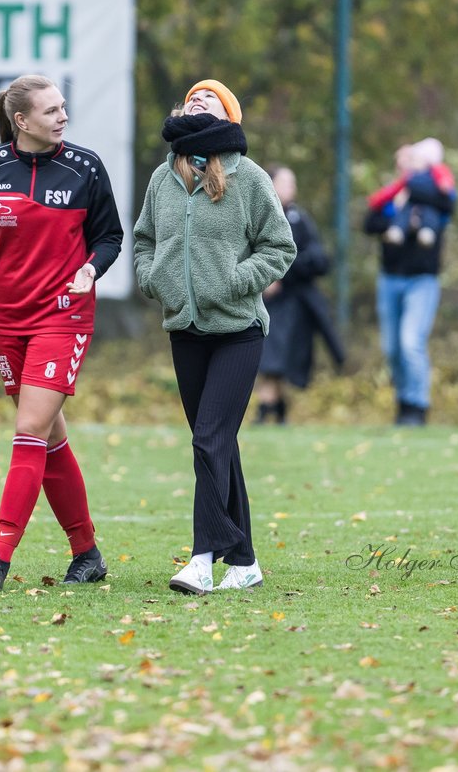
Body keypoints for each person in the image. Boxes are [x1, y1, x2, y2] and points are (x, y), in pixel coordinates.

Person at [0, 74, 124, 592]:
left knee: (28, 431)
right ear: (20, 121)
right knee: (48, 438)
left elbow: (110, 235)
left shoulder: (85, 167)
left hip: (63, 317)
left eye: (63, 107)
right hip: (7, 322)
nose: (62, 117)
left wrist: (92, 268)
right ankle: (86, 553)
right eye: (50, 111)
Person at [133, 79, 296, 594]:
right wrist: (153, 277)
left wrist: (235, 281)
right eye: (192, 96)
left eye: (211, 98)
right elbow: (143, 240)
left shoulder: (248, 178)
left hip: (238, 331)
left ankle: (202, 560)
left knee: (209, 439)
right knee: (217, 444)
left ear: (229, 116)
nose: (197, 99)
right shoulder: (164, 177)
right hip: (184, 329)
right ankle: (244, 562)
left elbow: (279, 246)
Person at [363, 140, 458, 425]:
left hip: (422, 280)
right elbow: (370, 223)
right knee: (392, 348)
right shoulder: (392, 195)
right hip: (389, 278)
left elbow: (449, 202)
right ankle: (403, 402)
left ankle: (418, 406)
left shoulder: (433, 192)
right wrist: (395, 217)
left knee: (411, 343)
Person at [254, 164, 345, 424]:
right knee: (267, 355)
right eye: (286, 182)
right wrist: (263, 278)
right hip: (265, 303)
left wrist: (284, 275)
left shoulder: (298, 218)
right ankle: (271, 407)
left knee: (281, 356)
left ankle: (270, 408)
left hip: (294, 304)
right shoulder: (257, 214)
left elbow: (318, 259)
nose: (291, 188)